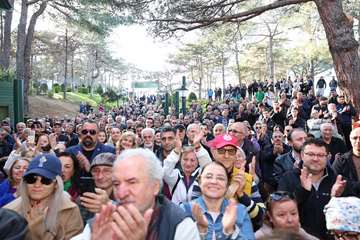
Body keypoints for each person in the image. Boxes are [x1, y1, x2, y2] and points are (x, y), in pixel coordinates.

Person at [78, 148, 200, 240]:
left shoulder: (179, 225)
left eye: (132, 182)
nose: (121, 193)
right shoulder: (101, 224)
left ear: (155, 187)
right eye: (116, 184)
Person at [277, 138, 351, 240]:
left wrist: (335, 199)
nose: (316, 159)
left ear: (328, 157)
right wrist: (302, 191)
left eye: (320, 155)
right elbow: (281, 211)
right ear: (302, 155)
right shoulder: (288, 178)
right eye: (311, 154)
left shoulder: (338, 181)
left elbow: (348, 219)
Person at [4, 154, 83, 239]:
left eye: (46, 180)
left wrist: (36, 226)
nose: (37, 185)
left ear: (56, 184)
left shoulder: (69, 210)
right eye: (31, 179)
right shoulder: (10, 211)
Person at [182, 161, 255, 240]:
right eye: (209, 177)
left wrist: (230, 231)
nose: (214, 182)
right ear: (199, 181)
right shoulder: (185, 209)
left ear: (227, 184)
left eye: (220, 178)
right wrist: (201, 231)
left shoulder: (239, 211)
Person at [208, 134, 265, 231]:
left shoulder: (247, 179)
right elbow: (195, 215)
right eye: (221, 151)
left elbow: (261, 216)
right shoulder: (203, 178)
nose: (226, 156)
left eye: (231, 151)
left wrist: (241, 195)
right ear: (214, 153)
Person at [163, 131, 212, 204]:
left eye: (192, 160)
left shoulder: (202, 174)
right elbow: (165, 171)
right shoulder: (176, 175)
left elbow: (210, 168)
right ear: (180, 159)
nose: (188, 163)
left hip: (198, 214)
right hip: (178, 214)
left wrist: (197, 146)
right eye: (185, 159)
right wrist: (176, 150)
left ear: (198, 161)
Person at [79, 152, 116, 223]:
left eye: (107, 171)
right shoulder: (85, 198)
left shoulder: (125, 197)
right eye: (95, 171)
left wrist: (109, 206)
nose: (100, 176)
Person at [332, 127, 360, 197]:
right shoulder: (341, 160)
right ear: (350, 140)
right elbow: (334, 181)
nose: (358, 141)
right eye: (355, 138)